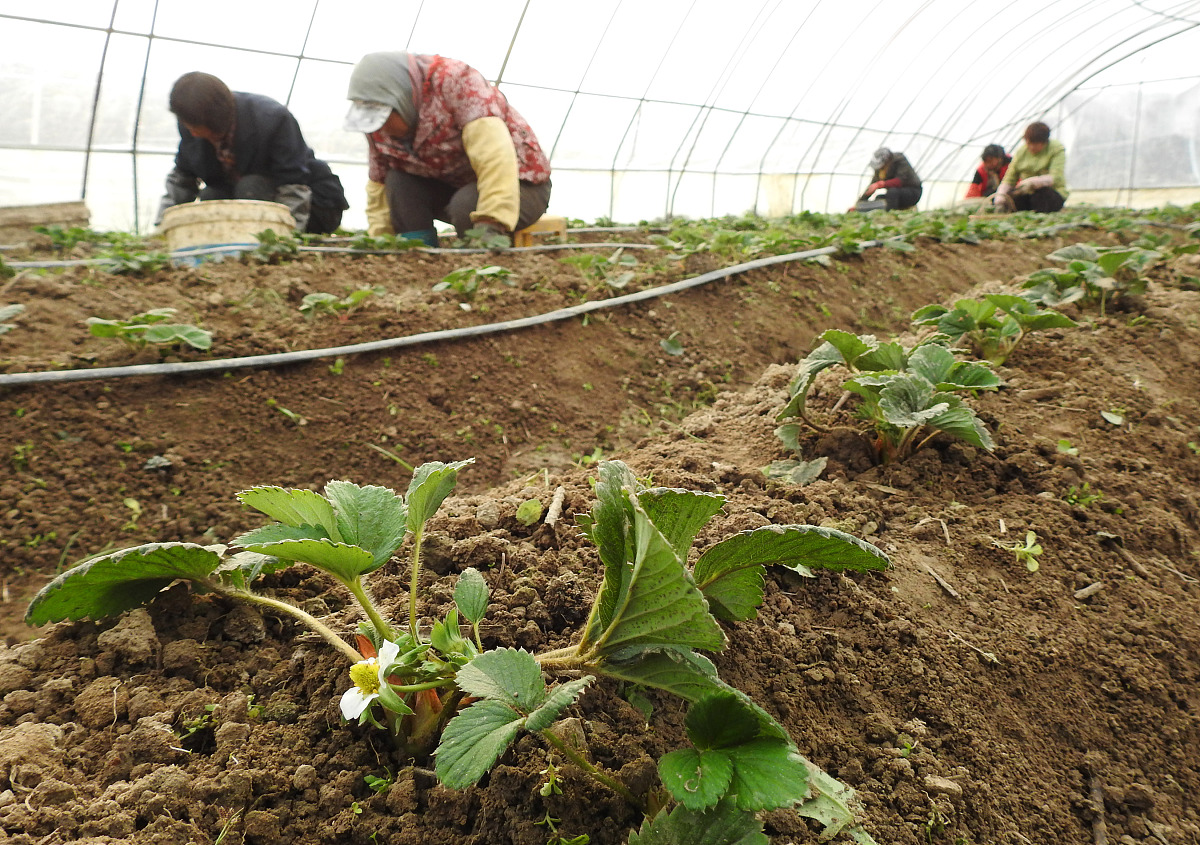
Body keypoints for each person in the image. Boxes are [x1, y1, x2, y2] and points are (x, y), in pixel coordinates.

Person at [344, 51, 551, 246]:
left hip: (520, 186)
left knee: (467, 205)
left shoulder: (456, 82)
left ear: (401, 99)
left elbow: (495, 158)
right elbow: (378, 183)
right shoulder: (378, 127)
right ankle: (418, 254)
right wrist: (381, 240)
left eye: (386, 117)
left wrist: (492, 221)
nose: (382, 129)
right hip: (452, 186)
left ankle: (478, 260)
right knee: (398, 182)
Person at [157, 72, 348, 234]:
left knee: (251, 186)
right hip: (247, 197)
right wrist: (162, 229)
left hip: (313, 205)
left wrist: (285, 237)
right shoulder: (191, 125)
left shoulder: (272, 119)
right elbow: (182, 179)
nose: (192, 133)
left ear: (216, 119)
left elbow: (293, 186)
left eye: (197, 127)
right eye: (187, 126)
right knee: (212, 195)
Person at [993, 122, 1067, 213]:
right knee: (1013, 201)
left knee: (1042, 196)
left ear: (1045, 142)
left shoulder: (1056, 149)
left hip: (1051, 192)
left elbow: (1055, 177)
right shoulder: (1021, 152)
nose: (1032, 147)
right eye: (1029, 143)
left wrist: (1032, 183)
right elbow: (1009, 179)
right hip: (1027, 193)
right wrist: (1000, 197)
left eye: (1036, 144)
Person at [855, 147, 922, 211]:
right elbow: (871, 187)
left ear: (888, 161)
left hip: (913, 192)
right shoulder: (880, 170)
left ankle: (891, 215)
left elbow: (900, 181)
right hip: (895, 195)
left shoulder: (900, 160)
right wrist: (858, 204)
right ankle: (882, 216)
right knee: (879, 199)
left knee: (892, 192)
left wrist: (880, 184)